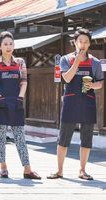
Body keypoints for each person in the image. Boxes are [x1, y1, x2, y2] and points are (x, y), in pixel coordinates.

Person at [47, 28, 104, 180]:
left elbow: (100, 83)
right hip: (71, 101)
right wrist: (77, 62)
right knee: (64, 136)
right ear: (75, 43)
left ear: (89, 43)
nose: (83, 44)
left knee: (86, 137)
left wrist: (93, 85)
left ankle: (83, 170)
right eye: (80, 41)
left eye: (86, 42)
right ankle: (59, 170)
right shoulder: (65, 59)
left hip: (88, 102)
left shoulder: (95, 62)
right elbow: (66, 78)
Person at [0, 31, 41, 179]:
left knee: (20, 136)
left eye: (11, 44)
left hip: (16, 102)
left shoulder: (20, 62)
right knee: (1, 137)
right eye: (5, 44)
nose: (8, 47)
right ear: (0, 46)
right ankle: (3, 167)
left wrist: (20, 98)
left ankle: (27, 169)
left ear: (14, 45)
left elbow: (24, 81)